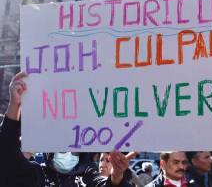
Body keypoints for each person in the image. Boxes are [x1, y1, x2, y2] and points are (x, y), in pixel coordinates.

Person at [0, 72, 131, 187]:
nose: (67, 153)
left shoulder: (88, 175)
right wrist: (15, 105)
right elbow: (6, 155)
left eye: (74, 150)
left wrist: (117, 178)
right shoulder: (35, 174)